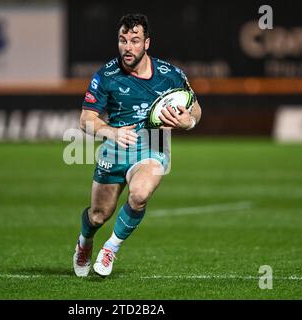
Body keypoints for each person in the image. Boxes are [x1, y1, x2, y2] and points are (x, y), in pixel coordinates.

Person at [73, 13, 202, 277]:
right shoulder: (106, 75)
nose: (127, 47)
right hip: (116, 146)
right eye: (123, 40)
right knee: (99, 215)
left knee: (140, 194)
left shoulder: (170, 75)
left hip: (153, 145)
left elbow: (195, 108)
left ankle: (111, 248)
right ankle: (85, 243)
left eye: (134, 40)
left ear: (147, 43)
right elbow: (86, 120)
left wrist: (188, 122)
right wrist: (110, 131)